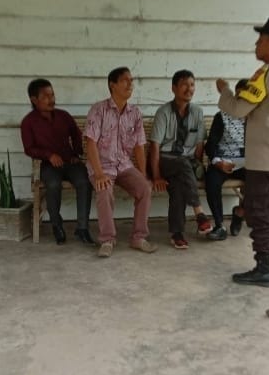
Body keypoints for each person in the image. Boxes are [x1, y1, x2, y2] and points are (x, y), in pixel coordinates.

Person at [215, 17, 269, 287]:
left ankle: (263, 267)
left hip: (263, 160)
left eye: (261, 40)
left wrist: (225, 91)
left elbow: (238, 109)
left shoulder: (267, 74)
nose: (256, 44)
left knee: (260, 212)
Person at [84, 67, 157, 258]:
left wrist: (143, 174)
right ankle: (107, 239)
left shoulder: (135, 113)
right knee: (104, 189)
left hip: (124, 165)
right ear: (112, 85)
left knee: (145, 188)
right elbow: (90, 143)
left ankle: (138, 237)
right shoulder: (98, 110)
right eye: (125, 80)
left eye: (131, 80)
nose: (130, 84)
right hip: (102, 166)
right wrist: (99, 174)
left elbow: (139, 146)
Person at [20, 78, 95, 245]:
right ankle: (57, 225)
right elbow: (29, 148)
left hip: (69, 162)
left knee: (85, 182)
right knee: (53, 185)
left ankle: (82, 228)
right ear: (34, 100)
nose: (51, 99)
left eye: (52, 95)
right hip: (48, 166)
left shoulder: (63, 116)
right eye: (45, 96)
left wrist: (76, 152)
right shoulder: (28, 122)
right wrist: (48, 155)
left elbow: (76, 134)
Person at [148, 69, 212, 249]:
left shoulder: (198, 112)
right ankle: (199, 213)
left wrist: (196, 166)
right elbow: (154, 147)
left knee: (177, 186)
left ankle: (177, 234)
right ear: (174, 88)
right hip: (164, 160)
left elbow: (199, 144)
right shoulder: (163, 112)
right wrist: (157, 176)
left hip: (185, 165)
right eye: (184, 85)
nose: (189, 89)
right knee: (183, 164)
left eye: (192, 85)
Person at [204, 79, 249, 241]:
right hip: (223, 161)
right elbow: (210, 144)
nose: (242, 100)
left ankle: (240, 212)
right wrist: (218, 162)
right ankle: (219, 226)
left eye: (246, 97)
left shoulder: (254, 117)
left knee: (262, 181)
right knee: (211, 181)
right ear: (234, 95)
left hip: (246, 164)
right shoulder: (222, 117)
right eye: (239, 96)